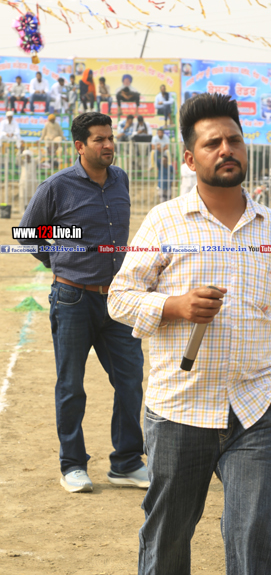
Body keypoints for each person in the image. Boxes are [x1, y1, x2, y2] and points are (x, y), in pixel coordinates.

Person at [107, 93, 271, 575]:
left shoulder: (270, 225)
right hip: (180, 409)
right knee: (167, 537)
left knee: (254, 536)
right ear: (190, 159)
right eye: (213, 143)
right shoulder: (164, 220)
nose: (226, 149)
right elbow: (119, 298)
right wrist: (175, 306)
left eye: (234, 140)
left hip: (256, 409)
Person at [16, 112, 147, 493]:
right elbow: (27, 232)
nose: (108, 145)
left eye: (110, 138)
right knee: (71, 385)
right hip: (72, 298)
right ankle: (72, 465)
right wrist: (59, 260)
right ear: (79, 146)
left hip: (118, 301)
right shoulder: (57, 186)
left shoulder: (120, 179)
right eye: (99, 139)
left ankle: (126, 462)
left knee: (130, 381)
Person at [18, 146, 39, 212]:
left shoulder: (34, 161)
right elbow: (17, 158)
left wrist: (38, 147)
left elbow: (40, 157)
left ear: (30, 156)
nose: (26, 157)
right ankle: (22, 211)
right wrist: (20, 150)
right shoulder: (23, 162)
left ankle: (31, 211)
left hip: (32, 182)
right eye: (25, 155)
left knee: (32, 197)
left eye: (28, 155)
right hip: (23, 182)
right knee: (22, 197)